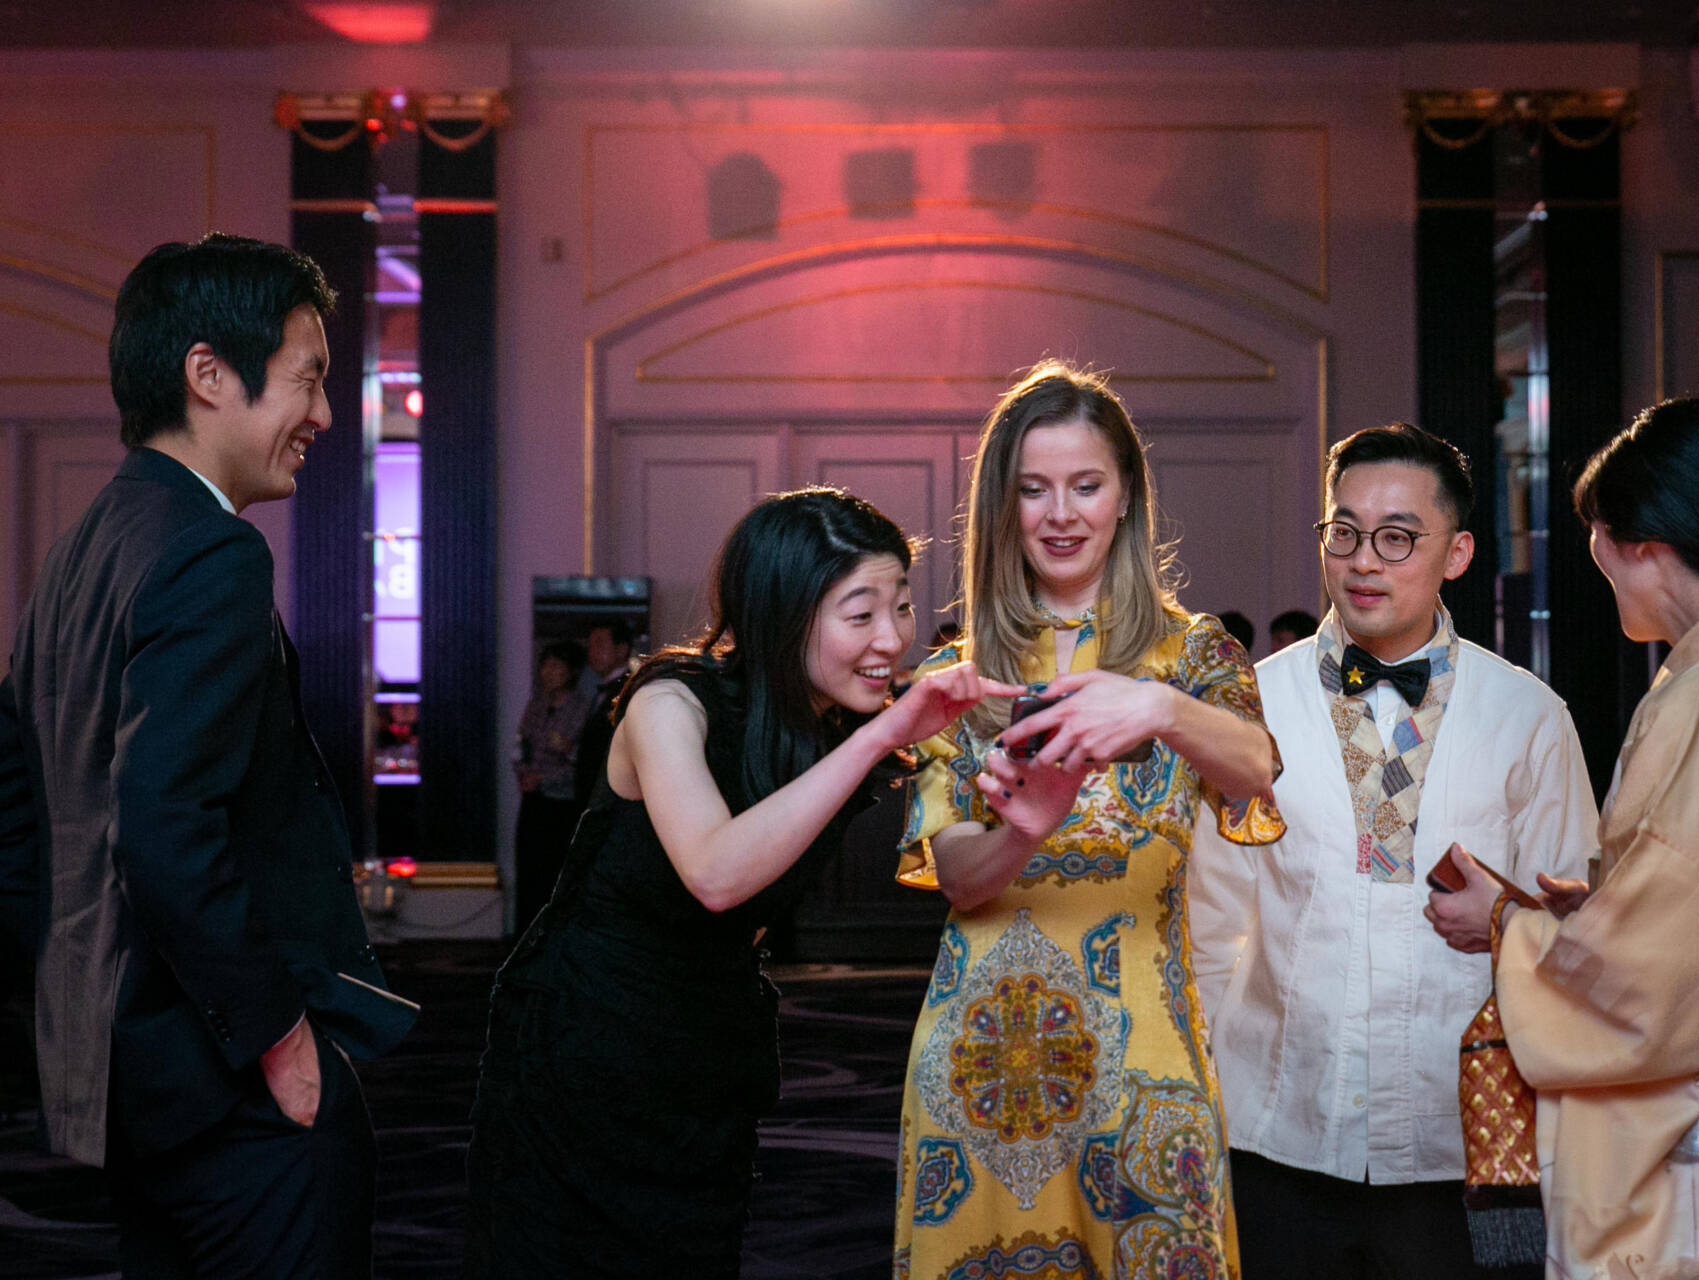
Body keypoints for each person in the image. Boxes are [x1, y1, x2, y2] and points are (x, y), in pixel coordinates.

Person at [467, 487, 1021, 1279]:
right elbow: (715, 875)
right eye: (860, 614)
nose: (893, 638)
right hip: (585, 1044)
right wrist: (884, 736)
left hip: (705, 1044)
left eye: (900, 607)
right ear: (781, 612)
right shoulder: (670, 701)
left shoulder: (836, 722)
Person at [0, 234, 417, 1277]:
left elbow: (20, 812)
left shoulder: (87, 541)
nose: (323, 415)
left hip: (128, 1077)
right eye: (309, 378)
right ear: (208, 373)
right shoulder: (210, 549)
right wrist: (276, 1035)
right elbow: (165, 823)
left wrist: (74, 1005)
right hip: (230, 1085)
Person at [1426, 397, 1699, 1279]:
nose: (1609, 581)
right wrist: (1602, 906)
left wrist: (1509, 929)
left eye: (1607, 559)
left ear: (1651, 549)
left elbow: (1656, 975)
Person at [890, 362, 1285, 1278]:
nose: (1059, 513)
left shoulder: (1195, 655)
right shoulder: (955, 679)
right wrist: (1024, 830)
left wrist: (1160, 710)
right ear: (1003, 505)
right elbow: (957, 877)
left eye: (1084, 485)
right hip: (982, 1071)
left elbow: (1259, 774)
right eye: (1033, 489)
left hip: (1146, 1056)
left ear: (1125, 497)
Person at [1189, 421, 1597, 1280]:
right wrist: (1206, 1106)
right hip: (1279, 1128)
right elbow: (1206, 927)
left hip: (1460, 1141)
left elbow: (1576, 932)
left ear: (1456, 553)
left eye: (1397, 537)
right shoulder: (1248, 707)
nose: (1363, 560)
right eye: (1344, 532)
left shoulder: (1528, 716)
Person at [513, 639, 594, 932]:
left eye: (557, 666)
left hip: (563, 802)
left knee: (555, 871)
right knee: (529, 869)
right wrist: (523, 773)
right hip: (533, 797)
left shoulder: (582, 708)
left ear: (571, 671)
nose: (549, 672)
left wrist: (545, 777)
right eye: (546, 665)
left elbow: (581, 760)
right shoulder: (536, 705)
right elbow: (520, 745)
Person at [571, 618, 635, 807]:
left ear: (622, 649)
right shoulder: (604, 689)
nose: (592, 652)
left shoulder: (628, 690)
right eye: (590, 646)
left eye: (599, 645)